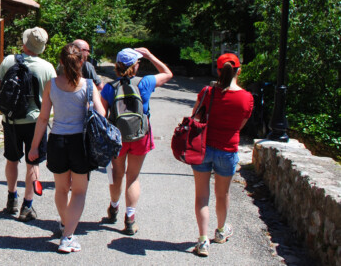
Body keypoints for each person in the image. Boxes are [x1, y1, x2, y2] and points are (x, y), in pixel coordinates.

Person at [28, 43, 106, 253]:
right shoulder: (89, 86)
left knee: (62, 188)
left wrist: (34, 147)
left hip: (57, 141)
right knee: (79, 192)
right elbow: (102, 115)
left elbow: (43, 119)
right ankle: (68, 236)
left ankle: (65, 224)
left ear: (61, 61)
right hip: (80, 143)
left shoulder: (51, 85)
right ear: (82, 61)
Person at [100, 47, 173, 235]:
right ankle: (130, 219)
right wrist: (150, 55)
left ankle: (114, 207)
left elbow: (102, 114)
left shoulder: (109, 88)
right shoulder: (146, 82)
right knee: (133, 176)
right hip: (141, 135)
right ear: (136, 65)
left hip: (118, 136)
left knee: (117, 173)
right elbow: (168, 73)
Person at [191, 53, 253, 257]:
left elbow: (195, 118)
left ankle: (202, 241)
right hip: (227, 150)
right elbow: (239, 126)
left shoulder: (207, 92)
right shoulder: (247, 98)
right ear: (239, 70)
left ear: (218, 70)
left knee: (202, 196)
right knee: (222, 194)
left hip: (203, 148)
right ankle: (220, 231)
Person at [0, 27, 57, 222]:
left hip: (11, 120)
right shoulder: (47, 68)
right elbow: (53, 97)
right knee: (33, 162)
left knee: (11, 160)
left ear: (25, 43)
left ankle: (12, 198)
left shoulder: (9, 61)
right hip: (35, 123)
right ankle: (27, 206)